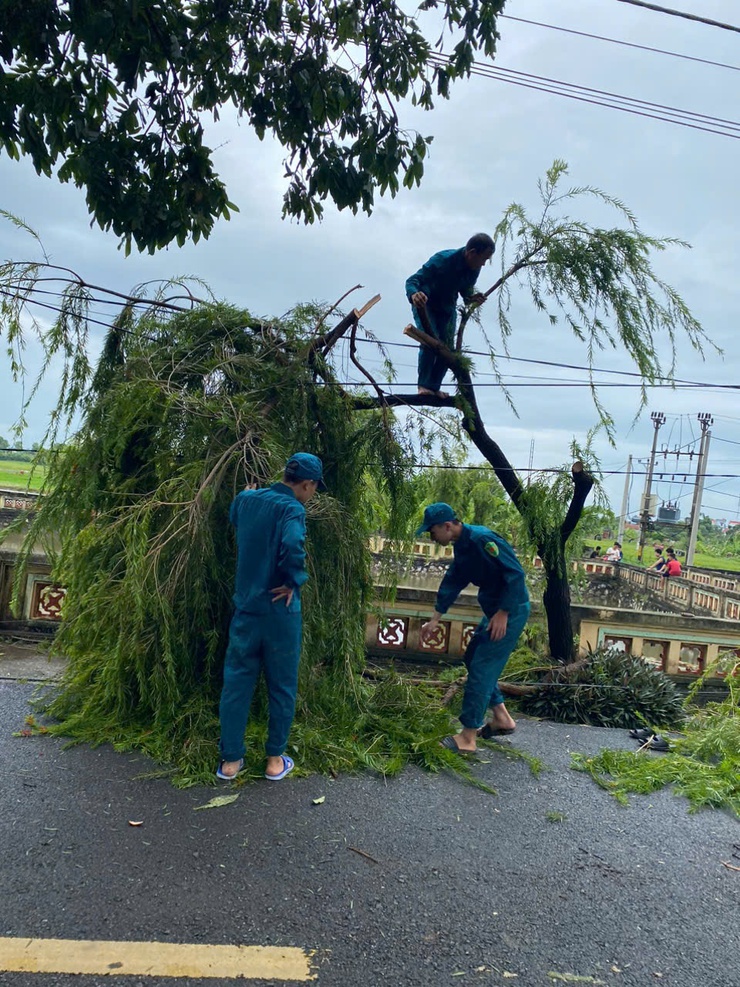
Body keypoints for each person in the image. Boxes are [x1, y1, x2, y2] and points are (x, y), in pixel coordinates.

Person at [217, 452, 326, 782]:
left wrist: (249, 494)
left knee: (236, 682)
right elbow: (293, 544)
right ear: (306, 484)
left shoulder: (247, 500)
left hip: (247, 611)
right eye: (314, 489)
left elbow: (236, 514)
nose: (313, 495)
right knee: (281, 686)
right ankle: (275, 760)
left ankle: (231, 762)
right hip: (280, 613)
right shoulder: (292, 508)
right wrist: (294, 580)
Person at [414, 502, 530, 754]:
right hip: (495, 611)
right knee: (472, 656)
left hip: (510, 611)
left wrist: (503, 612)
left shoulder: (483, 539)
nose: (432, 538)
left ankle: (467, 737)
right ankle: (502, 718)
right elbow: (453, 580)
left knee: (482, 666)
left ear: (447, 525)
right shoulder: (463, 546)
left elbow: (515, 574)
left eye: (432, 532)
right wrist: (435, 619)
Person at [406, 233, 495, 398]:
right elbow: (412, 281)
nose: (483, 264)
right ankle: (423, 386)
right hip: (426, 304)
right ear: (472, 253)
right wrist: (414, 294)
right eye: (483, 258)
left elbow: (465, 292)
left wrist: (472, 298)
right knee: (430, 342)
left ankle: (434, 387)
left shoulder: (474, 270)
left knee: (447, 349)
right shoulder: (442, 260)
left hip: (447, 308)